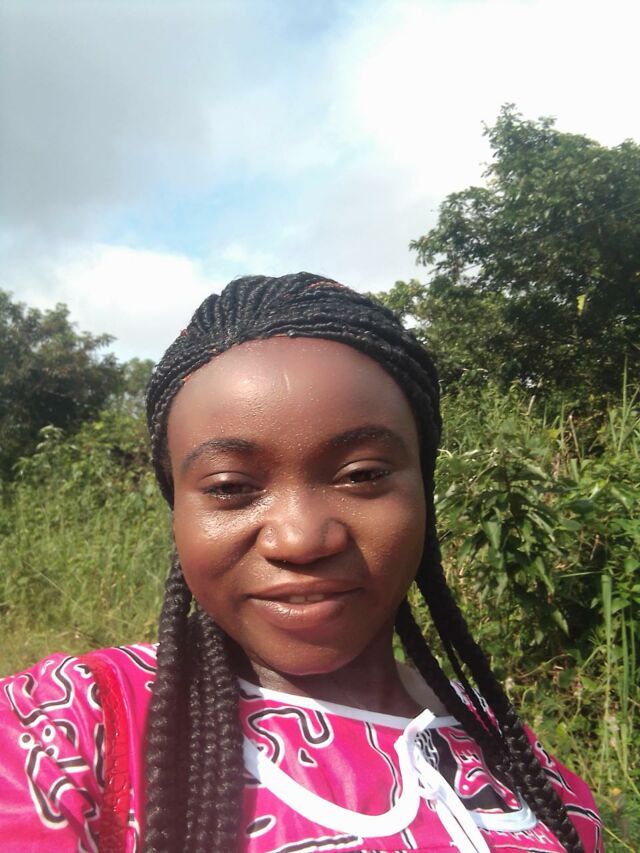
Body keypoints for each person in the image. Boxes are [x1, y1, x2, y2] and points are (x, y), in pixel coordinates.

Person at [0, 273, 602, 853]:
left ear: (423, 488)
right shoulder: (65, 732)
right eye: (230, 487)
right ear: (177, 511)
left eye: (362, 475)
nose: (301, 539)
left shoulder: (514, 754)